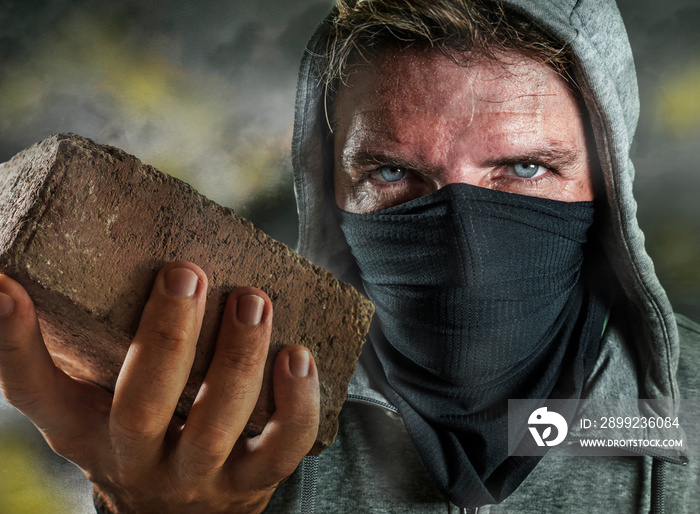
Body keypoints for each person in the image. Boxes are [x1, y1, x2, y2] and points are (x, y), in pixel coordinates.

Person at [0, 0, 698, 512]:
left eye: (521, 168)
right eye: (392, 174)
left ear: (608, 183)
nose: (463, 233)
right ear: (330, 192)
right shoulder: (216, 433)